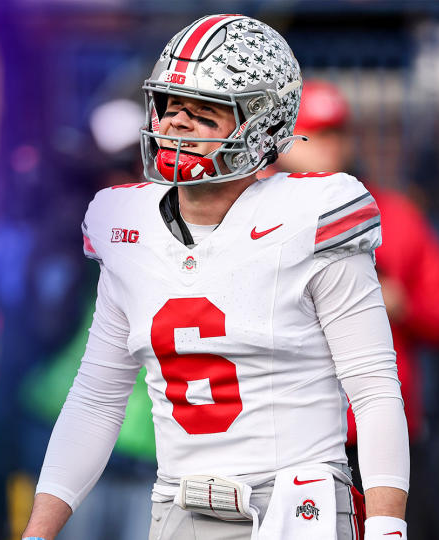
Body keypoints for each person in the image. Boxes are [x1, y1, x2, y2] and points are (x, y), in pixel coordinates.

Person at [22, 14, 410, 540]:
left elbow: (373, 387)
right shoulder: (126, 228)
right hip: (178, 504)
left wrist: (388, 527)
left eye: (204, 112)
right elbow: (96, 397)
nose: (175, 124)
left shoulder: (313, 214)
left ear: (262, 125)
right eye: (167, 105)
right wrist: (39, 532)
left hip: (296, 508)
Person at [277, 79, 439, 540]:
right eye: (312, 134)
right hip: (292, 432)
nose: (328, 145)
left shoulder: (393, 213)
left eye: (336, 132)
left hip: (380, 426)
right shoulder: (253, 217)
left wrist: (404, 304)